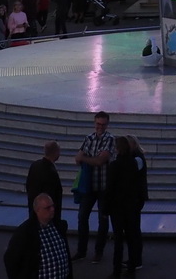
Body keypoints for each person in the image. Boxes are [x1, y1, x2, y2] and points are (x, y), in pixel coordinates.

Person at [71, 111, 115, 262]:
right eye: (98, 124)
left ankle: (98, 251)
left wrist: (85, 158)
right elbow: (77, 159)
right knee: (82, 217)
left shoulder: (110, 139)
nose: (100, 127)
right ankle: (81, 251)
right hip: (88, 186)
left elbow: (100, 161)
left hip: (103, 186)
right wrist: (86, 158)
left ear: (107, 124)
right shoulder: (88, 138)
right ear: (94, 123)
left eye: (103, 124)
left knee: (103, 220)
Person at [106, 134, 148, 274]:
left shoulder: (115, 165)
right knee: (132, 234)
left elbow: (110, 187)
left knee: (120, 239)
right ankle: (132, 266)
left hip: (118, 206)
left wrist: (106, 208)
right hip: (131, 204)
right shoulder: (134, 163)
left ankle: (119, 268)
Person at [3, 192, 71, 279]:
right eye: (48, 208)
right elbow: (10, 259)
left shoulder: (59, 226)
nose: (52, 209)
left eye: (53, 206)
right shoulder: (25, 232)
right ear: (37, 210)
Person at [26, 142, 63, 219]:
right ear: (55, 152)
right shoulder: (51, 172)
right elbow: (53, 195)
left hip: (34, 211)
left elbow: (28, 185)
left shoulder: (34, 165)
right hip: (46, 216)